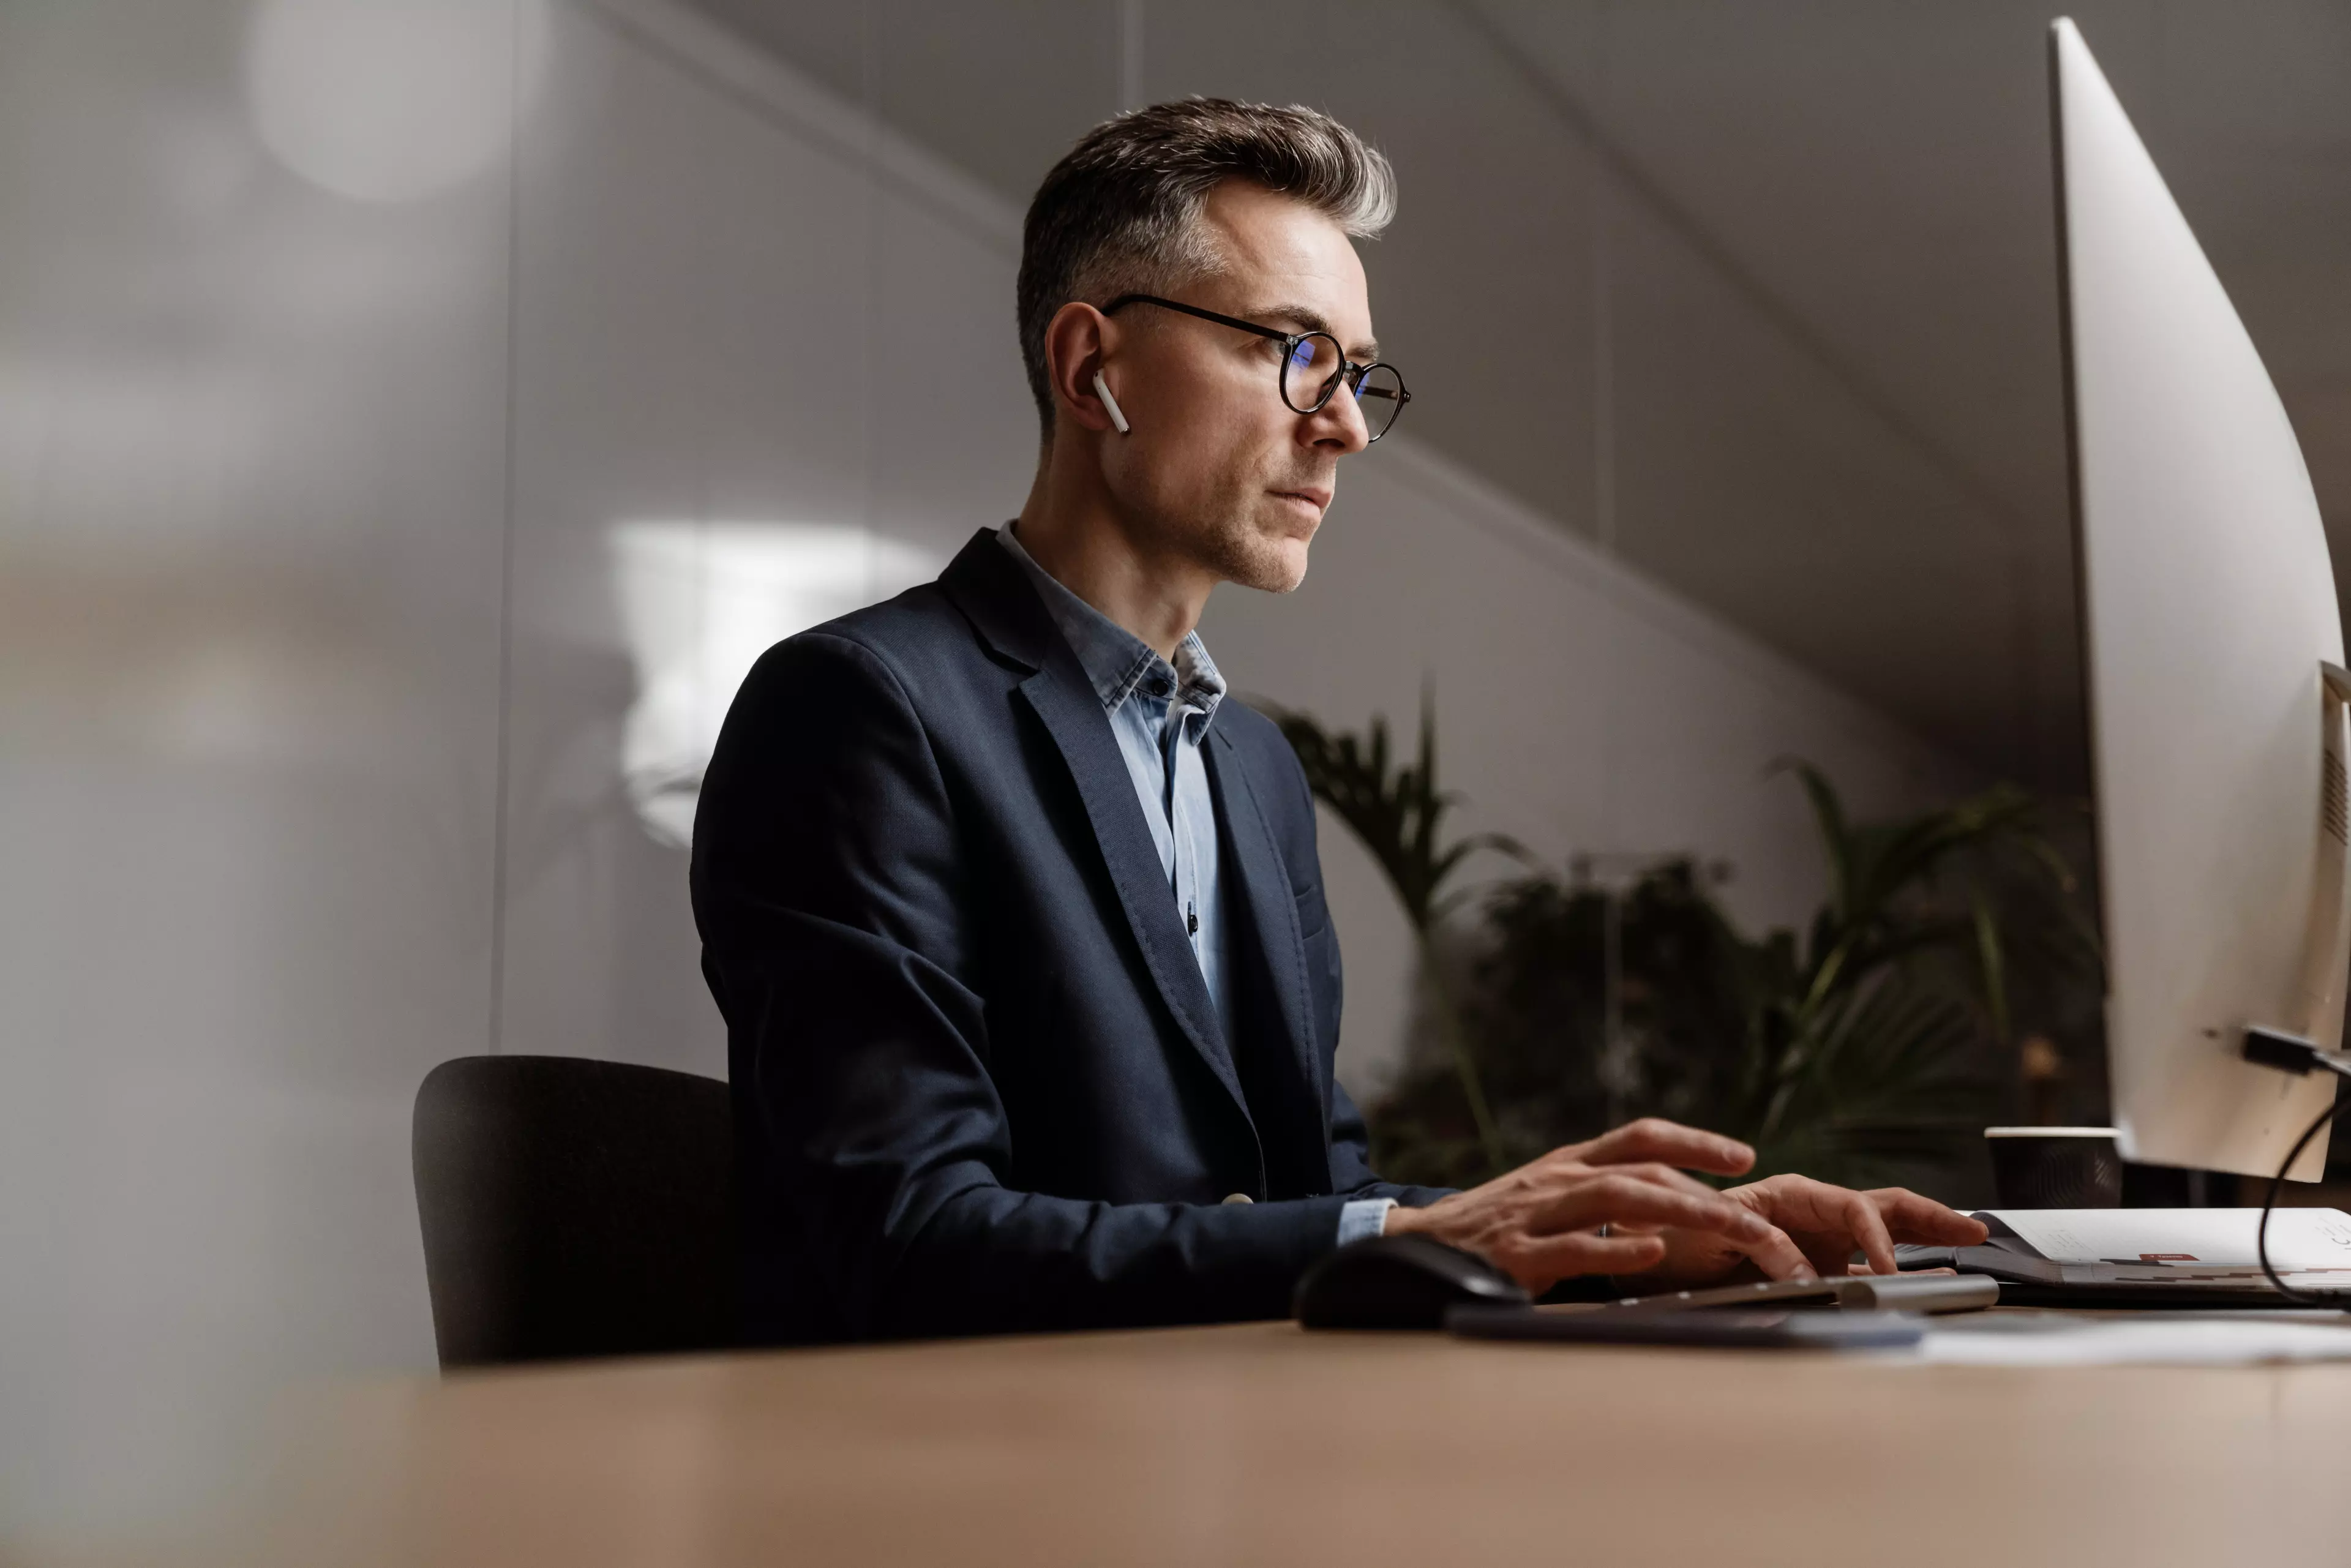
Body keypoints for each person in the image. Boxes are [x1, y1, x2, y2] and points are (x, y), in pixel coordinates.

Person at [691, 99, 1987, 1344]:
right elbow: (910, 1239)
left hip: (1246, 1448)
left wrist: (1624, 1232)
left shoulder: (1254, 765)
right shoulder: (863, 708)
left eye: (1361, 373)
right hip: (959, 1482)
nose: (1350, 427)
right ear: (1095, 369)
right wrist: (1441, 1232)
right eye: (1296, 352)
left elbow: (1319, 1185)